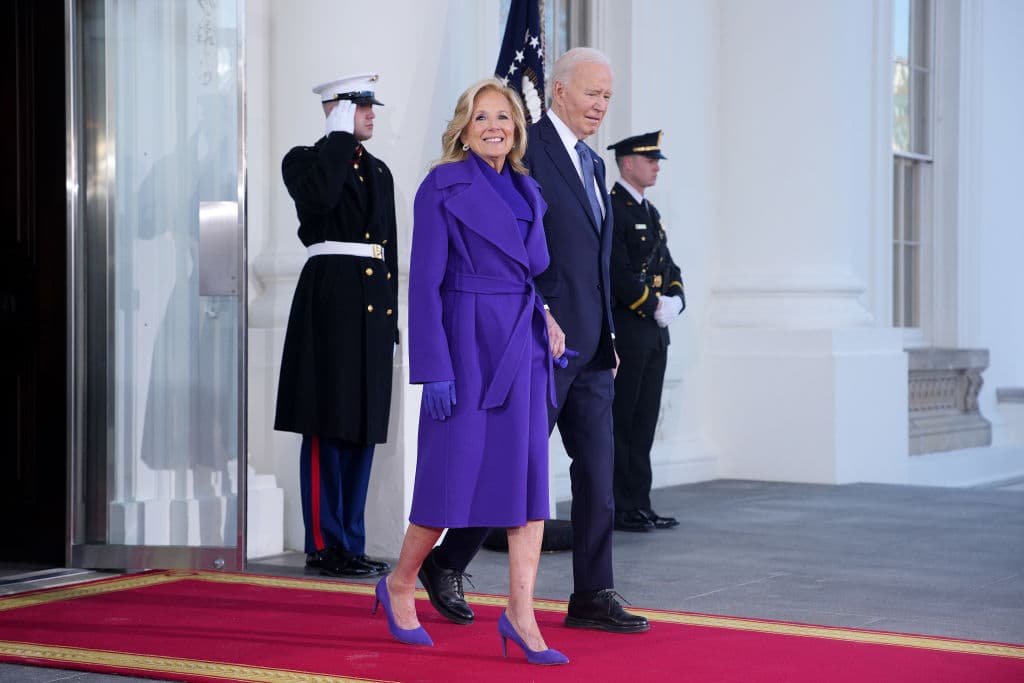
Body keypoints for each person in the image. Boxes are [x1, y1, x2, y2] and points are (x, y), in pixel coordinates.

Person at [418, 47, 651, 635]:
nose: (601, 105)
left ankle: (593, 593)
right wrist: (540, 318)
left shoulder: (594, 165)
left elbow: (595, 265)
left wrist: (610, 337)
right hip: (530, 342)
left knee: (598, 472)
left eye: (608, 96)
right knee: (507, 466)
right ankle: (446, 562)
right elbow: (512, 256)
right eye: (592, 93)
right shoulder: (524, 151)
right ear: (559, 91)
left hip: (591, 347)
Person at [372, 77, 568, 665]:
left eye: (503, 117)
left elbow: (526, 274)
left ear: (517, 128)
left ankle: (521, 613)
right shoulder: (441, 186)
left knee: (527, 484)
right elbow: (424, 284)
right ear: (463, 129)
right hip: (466, 348)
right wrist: (434, 368)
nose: (493, 127)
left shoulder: (529, 189)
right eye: (481, 117)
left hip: (521, 346)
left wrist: (547, 318)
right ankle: (401, 581)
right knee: (449, 480)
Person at [274, 73, 398, 578]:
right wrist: (339, 139)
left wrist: (391, 320)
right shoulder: (305, 160)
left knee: (362, 429)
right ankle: (324, 544)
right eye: (359, 106)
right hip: (330, 303)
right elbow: (322, 198)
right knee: (328, 426)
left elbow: (387, 249)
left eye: (371, 106)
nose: (371, 114)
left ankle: (351, 541)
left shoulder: (380, 171)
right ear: (336, 109)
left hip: (370, 308)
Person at [606, 131, 685, 532]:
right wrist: (652, 304)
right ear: (627, 163)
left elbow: (669, 267)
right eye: (649, 160)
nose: (656, 166)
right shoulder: (613, 209)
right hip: (629, 328)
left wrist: (676, 300)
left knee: (645, 420)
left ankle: (640, 502)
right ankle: (619, 506)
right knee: (623, 419)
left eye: (657, 160)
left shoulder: (650, 212)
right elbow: (617, 272)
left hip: (654, 333)